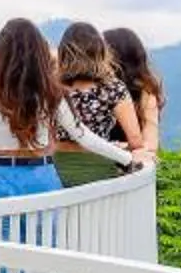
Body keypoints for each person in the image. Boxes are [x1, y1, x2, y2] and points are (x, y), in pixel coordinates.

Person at [50, 20, 144, 187]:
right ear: (100, 51)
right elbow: (135, 140)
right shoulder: (112, 88)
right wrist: (117, 146)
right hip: (99, 169)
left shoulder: (51, 87)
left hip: (56, 169)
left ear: (64, 52)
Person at [103, 25, 164, 156]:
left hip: (130, 162)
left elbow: (151, 144)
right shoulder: (93, 90)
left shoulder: (145, 94)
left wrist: (120, 146)